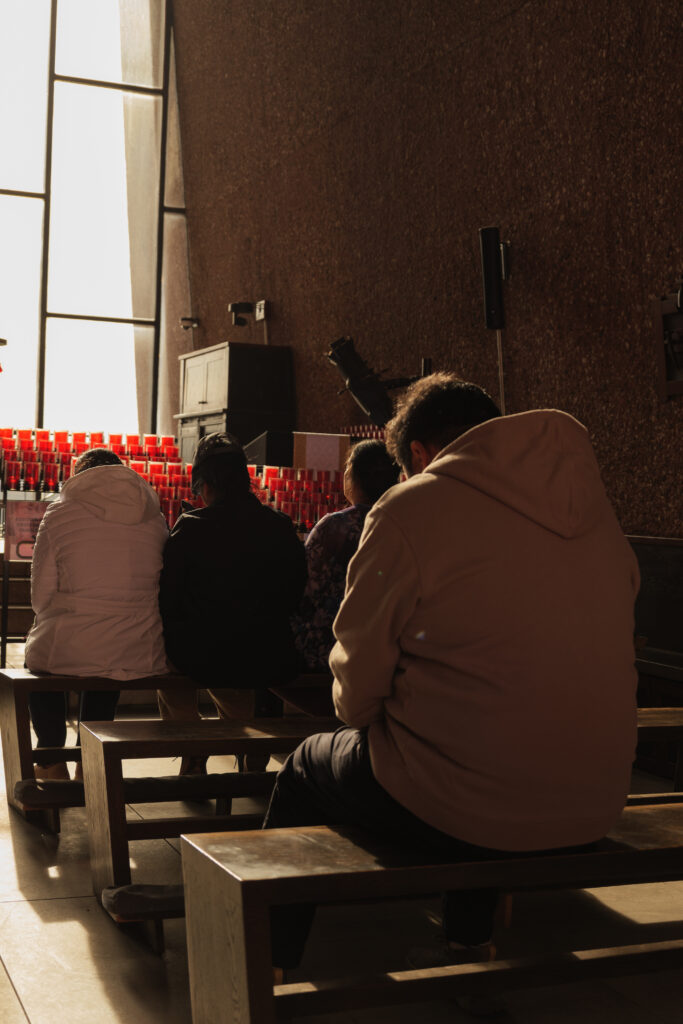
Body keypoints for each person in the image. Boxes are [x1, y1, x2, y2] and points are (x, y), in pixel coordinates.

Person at [263, 373, 640, 969]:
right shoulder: (597, 516)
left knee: (308, 766)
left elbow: (356, 695)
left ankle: (270, 963)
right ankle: (470, 943)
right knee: (476, 739)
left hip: (470, 804)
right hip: (595, 801)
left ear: (418, 453)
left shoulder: (411, 507)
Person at [156, 432, 306, 771]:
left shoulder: (190, 528)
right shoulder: (280, 526)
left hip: (203, 655)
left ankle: (192, 746)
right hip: (267, 654)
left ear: (206, 484)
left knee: (171, 663)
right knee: (236, 666)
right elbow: (294, 592)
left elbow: (168, 599)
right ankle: (249, 751)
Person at [25, 447, 169, 780]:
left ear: (80, 476)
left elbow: (40, 596)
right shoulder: (154, 516)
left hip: (74, 639)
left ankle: (50, 759)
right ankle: (88, 763)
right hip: (137, 645)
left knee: (40, 664)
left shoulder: (60, 512)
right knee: (112, 656)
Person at [291, 439, 399, 672]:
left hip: (328, 646)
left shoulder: (335, 526)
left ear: (354, 477)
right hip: (386, 646)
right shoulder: (400, 524)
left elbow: (305, 586)